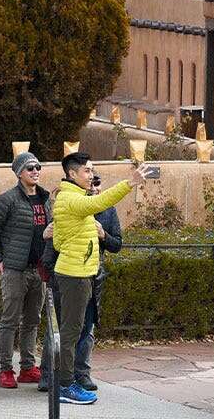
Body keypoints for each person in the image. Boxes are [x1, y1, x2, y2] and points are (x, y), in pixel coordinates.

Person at [50, 152, 152, 405]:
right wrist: (131, 182)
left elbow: (59, 240)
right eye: (87, 171)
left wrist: (78, 249)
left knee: (74, 330)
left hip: (79, 272)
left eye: (92, 170)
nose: (91, 175)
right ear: (72, 174)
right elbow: (100, 202)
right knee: (71, 332)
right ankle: (65, 386)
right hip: (74, 275)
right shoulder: (71, 199)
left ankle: (66, 382)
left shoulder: (71, 199)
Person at [37, 161, 123, 393]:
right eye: (89, 178)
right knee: (61, 329)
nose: (93, 184)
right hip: (68, 275)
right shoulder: (72, 203)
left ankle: (79, 374)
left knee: (85, 329)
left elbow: (117, 244)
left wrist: (103, 234)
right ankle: (51, 376)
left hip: (93, 275)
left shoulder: (107, 211)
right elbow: (54, 245)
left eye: (96, 181)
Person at [0, 151, 52, 389]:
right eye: (30, 168)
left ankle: (27, 367)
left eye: (38, 167)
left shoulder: (44, 199)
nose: (35, 171)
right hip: (15, 269)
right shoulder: (8, 200)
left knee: (33, 320)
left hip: (39, 269)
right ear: (19, 173)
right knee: (10, 320)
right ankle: (5, 369)